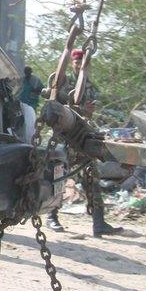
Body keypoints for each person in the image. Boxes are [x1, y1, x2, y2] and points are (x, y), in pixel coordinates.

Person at [45, 48, 123, 237]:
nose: (79, 65)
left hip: (83, 136)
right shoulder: (62, 79)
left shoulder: (90, 86)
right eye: (77, 62)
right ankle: (51, 216)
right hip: (65, 136)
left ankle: (99, 222)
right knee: (60, 176)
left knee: (92, 178)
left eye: (83, 62)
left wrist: (86, 111)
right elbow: (55, 100)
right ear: (72, 62)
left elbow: (91, 111)